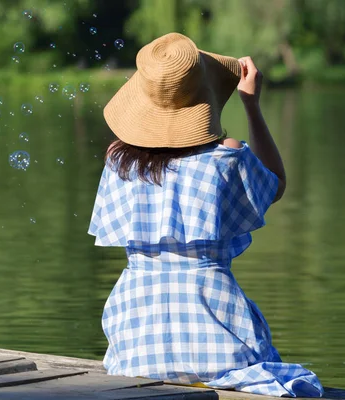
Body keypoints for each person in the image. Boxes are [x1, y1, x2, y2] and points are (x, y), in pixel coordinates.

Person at [88, 33, 324, 397]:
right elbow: (274, 185)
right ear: (204, 98)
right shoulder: (226, 157)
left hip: (136, 339)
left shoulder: (118, 161)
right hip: (215, 332)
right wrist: (251, 105)